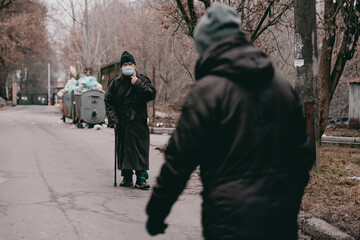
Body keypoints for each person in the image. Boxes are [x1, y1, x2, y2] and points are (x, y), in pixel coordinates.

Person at [145, 4, 315, 239]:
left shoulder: (208, 92)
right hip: (280, 220)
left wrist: (156, 213)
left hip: (228, 221)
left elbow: (179, 161)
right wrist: (288, 199)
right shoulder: (282, 89)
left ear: (206, 47)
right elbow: (303, 157)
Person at [105, 51, 156, 190]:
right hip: (122, 122)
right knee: (124, 149)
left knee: (140, 150)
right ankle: (126, 176)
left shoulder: (142, 79)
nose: (128, 66)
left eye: (130, 64)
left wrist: (138, 83)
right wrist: (113, 119)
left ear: (134, 65)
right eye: (125, 64)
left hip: (139, 122)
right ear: (121, 67)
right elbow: (109, 102)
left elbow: (151, 94)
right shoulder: (116, 83)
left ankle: (141, 177)